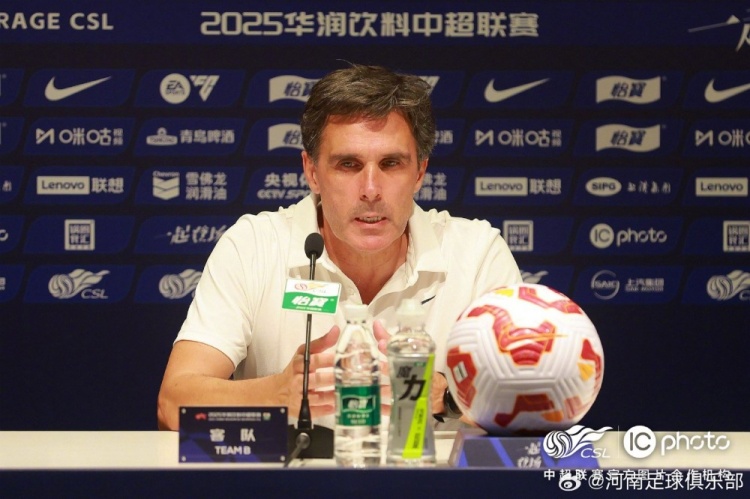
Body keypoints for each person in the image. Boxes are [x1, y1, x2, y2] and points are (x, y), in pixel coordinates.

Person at [157, 64, 522, 431]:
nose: (371, 190)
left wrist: (445, 395)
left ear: (419, 173)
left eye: (391, 163)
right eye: (348, 164)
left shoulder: (476, 255)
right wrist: (276, 393)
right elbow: (173, 403)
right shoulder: (253, 247)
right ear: (312, 172)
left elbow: (530, 402)